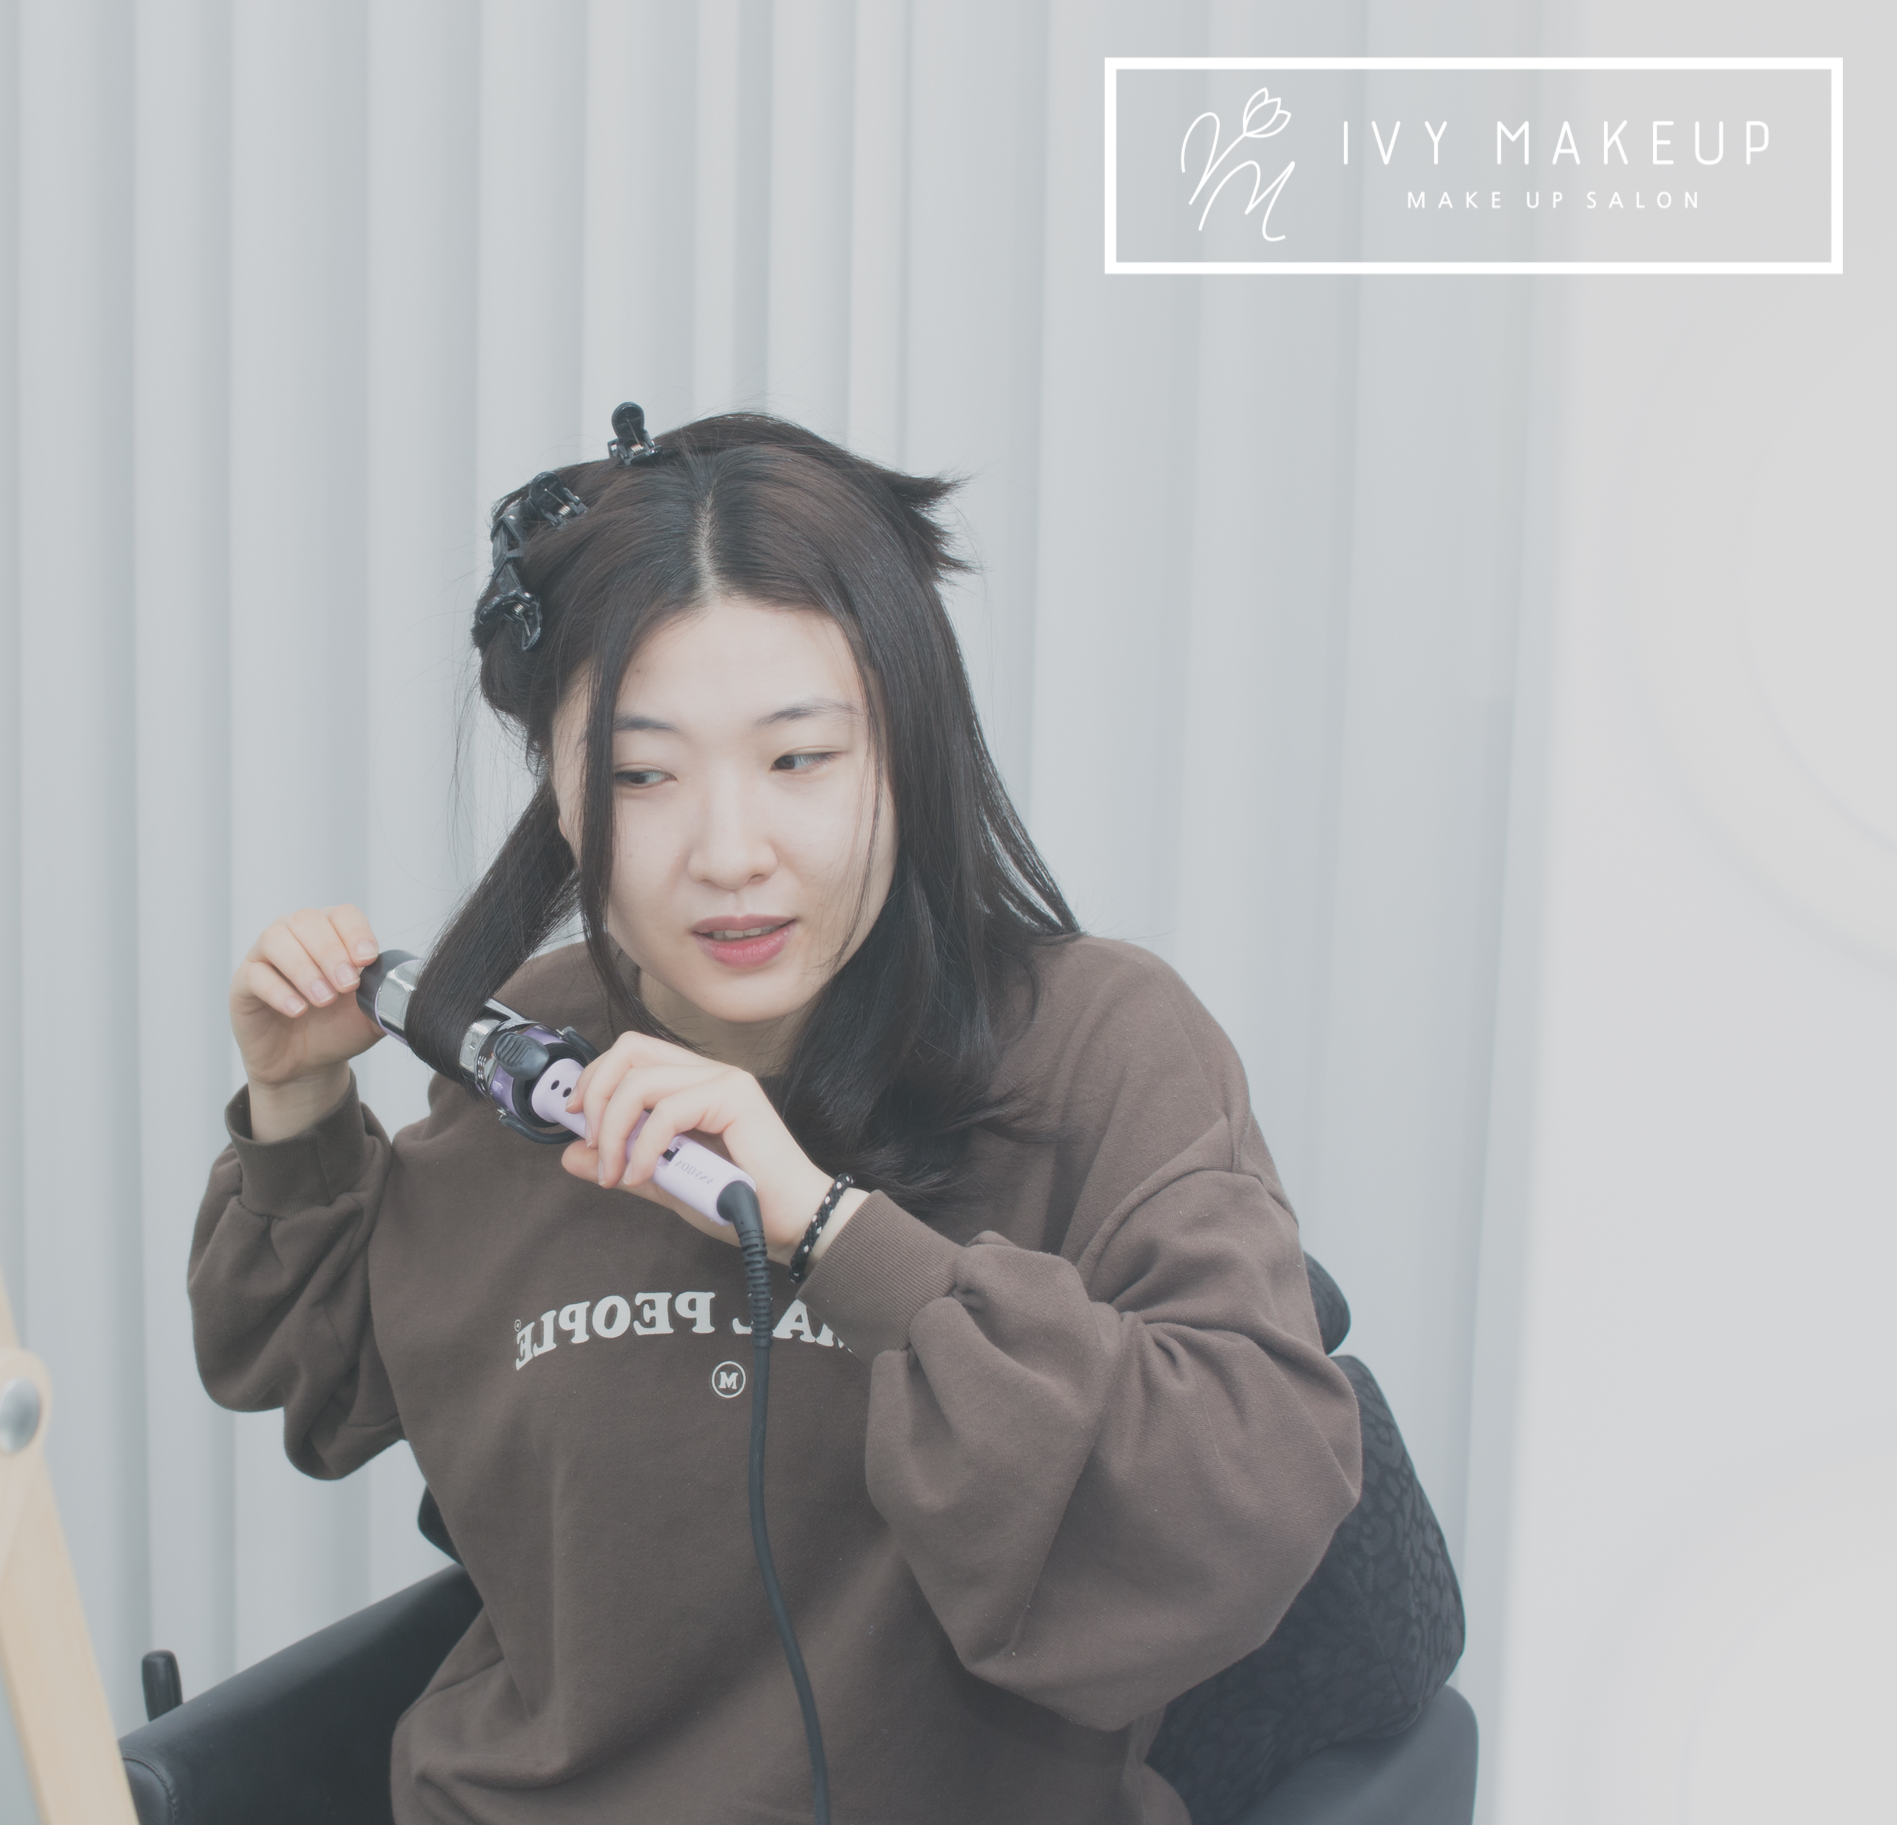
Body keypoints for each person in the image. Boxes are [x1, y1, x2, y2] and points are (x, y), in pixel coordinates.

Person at [190, 411, 1363, 1825]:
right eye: (639, 775)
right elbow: (318, 1388)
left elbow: (1241, 1508)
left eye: (798, 760)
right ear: (560, 793)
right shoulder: (531, 1054)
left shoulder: (1098, 1045)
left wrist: (829, 1232)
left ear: (906, 753)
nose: (727, 852)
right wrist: (297, 1099)